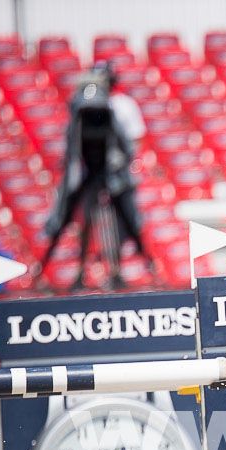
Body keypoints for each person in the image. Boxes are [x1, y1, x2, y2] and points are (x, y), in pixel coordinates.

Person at [38, 60, 150, 290]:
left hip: (113, 174)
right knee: (83, 219)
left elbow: (130, 143)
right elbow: (73, 140)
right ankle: (77, 273)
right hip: (87, 170)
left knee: (125, 219)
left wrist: (119, 160)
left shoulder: (122, 106)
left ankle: (124, 270)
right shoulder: (81, 105)